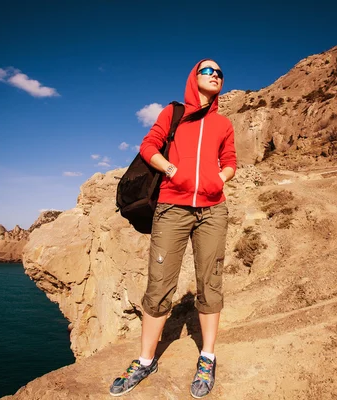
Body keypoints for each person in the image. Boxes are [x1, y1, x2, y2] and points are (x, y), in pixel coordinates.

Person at [109, 59, 236, 398]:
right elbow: (148, 145)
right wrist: (171, 170)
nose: (215, 75)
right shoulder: (174, 112)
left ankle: (207, 357)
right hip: (172, 208)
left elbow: (231, 162)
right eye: (208, 70)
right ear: (194, 77)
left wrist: (217, 180)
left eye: (220, 73)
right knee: (160, 283)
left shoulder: (224, 123)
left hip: (213, 211)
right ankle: (145, 360)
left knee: (210, 281)